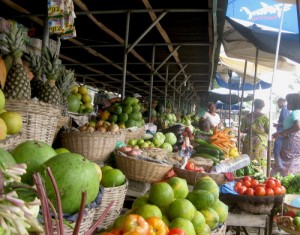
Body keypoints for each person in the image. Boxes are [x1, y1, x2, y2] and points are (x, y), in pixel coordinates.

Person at [272, 93, 300, 176]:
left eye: (288, 102)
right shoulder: (297, 112)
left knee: (287, 163)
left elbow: (297, 126)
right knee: (292, 162)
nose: (286, 104)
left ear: (293, 103)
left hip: (291, 143)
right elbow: (291, 124)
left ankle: (285, 181)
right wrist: (279, 126)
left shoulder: (295, 113)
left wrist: (282, 133)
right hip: (294, 142)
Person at [240, 99, 269, 172]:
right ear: (262, 106)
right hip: (260, 142)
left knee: (247, 159)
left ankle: (247, 176)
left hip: (248, 141)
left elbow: (242, 130)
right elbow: (268, 130)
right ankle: (260, 176)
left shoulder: (246, 117)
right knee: (260, 160)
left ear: (254, 105)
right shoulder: (265, 117)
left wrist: (250, 131)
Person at [271, 98, 290, 176]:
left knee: (277, 151)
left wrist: (277, 125)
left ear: (282, 102)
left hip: (281, 134)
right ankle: (279, 167)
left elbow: (286, 123)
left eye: (278, 103)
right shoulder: (284, 110)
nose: (278, 104)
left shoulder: (284, 109)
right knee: (277, 151)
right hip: (282, 134)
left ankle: (280, 167)